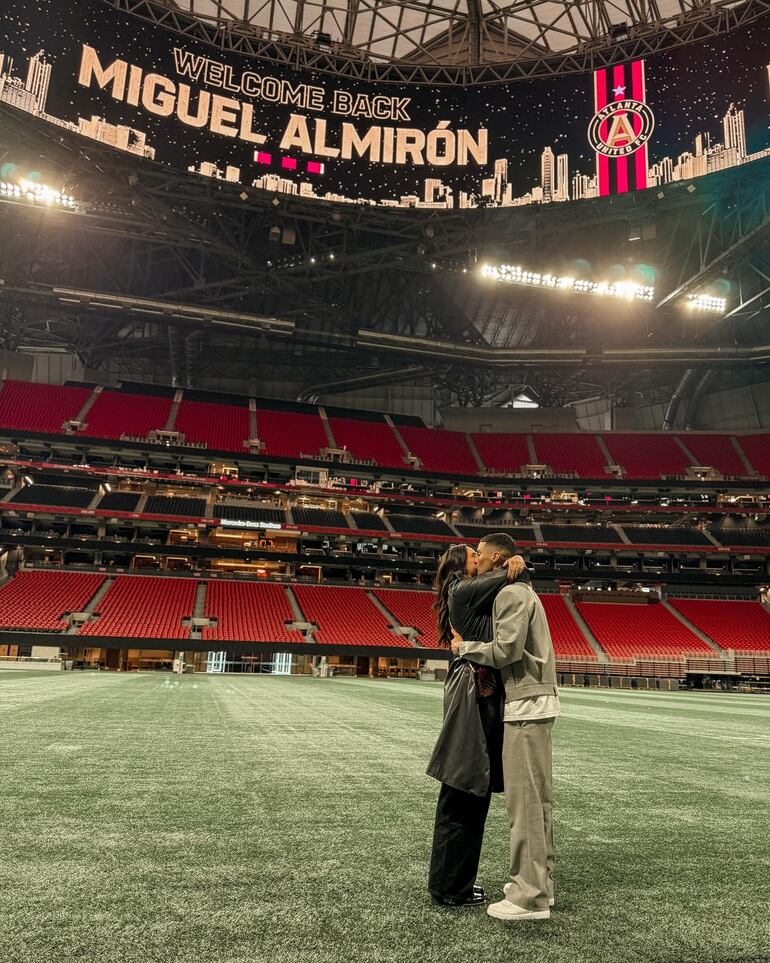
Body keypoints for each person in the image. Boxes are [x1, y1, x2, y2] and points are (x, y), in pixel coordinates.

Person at [451, 532, 559, 922]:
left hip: (525, 703)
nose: (476, 560)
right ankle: (540, 888)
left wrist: (464, 648)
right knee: (539, 803)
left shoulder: (510, 594)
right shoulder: (523, 590)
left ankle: (527, 898)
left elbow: (506, 650)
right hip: (537, 700)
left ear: (496, 557)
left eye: (479, 554)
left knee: (525, 804)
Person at [426, 542, 526, 907]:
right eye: (473, 556)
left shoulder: (466, 591)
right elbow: (510, 574)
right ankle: (450, 888)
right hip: (474, 695)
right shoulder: (461, 587)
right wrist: (514, 561)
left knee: (468, 792)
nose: (479, 560)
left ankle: (454, 884)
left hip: (474, 691)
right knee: (465, 790)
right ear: (461, 564)